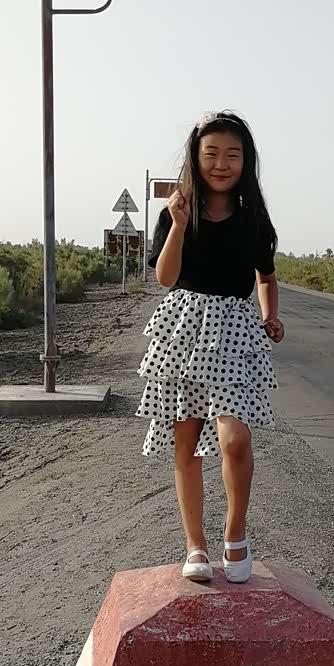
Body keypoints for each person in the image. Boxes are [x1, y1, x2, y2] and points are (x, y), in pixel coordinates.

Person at [136, 111, 284, 585]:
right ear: (196, 158)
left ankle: (235, 533)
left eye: (232, 155)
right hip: (184, 331)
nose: (221, 164)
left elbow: (266, 277)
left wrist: (270, 315)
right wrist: (179, 225)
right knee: (186, 442)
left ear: (246, 161)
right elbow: (165, 278)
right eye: (212, 153)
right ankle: (195, 544)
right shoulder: (174, 213)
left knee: (234, 439)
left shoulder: (253, 219)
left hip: (235, 333)